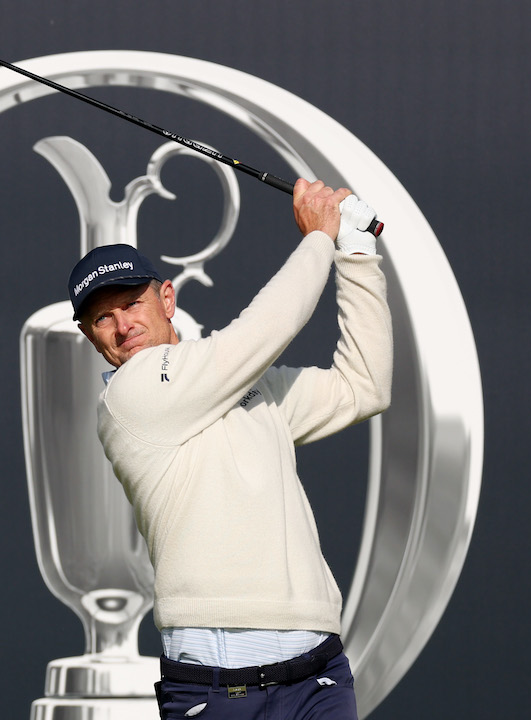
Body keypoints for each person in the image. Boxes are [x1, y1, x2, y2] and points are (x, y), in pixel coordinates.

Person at [67, 179, 393, 720]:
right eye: (103, 317)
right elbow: (259, 335)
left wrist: (357, 255)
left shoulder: (245, 384)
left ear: (166, 299)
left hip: (318, 675)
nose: (123, 326)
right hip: (216, 692)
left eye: (132, 304)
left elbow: (364, 387)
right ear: (88, 334)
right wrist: (319, 240)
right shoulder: (129, 397)